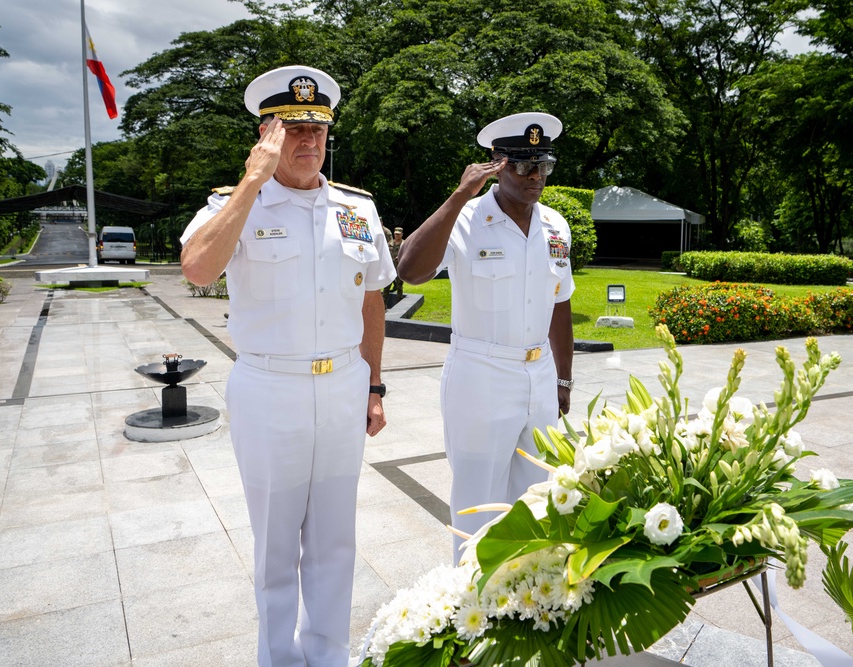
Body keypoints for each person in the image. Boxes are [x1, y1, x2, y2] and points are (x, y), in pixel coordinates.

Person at [179, 65, 395, 667]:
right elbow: (196, 268)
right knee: (276, 541)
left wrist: (375, 385)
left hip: (345, 385)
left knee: (334, 538)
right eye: (294, 129)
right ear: (267, 133)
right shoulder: (234, 204)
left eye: (318, 130)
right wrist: (252, 181)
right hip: (270, 388)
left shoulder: (357, 209)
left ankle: (327, 655)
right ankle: (278, 658)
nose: (308, 142)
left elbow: (371, 300)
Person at [396, 112, 575, 564]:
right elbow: (411, 270)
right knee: (478, 505)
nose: (536, 176)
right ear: (497, 163)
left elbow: (560, 303)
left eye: (543, 165)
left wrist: (564, 380)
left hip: (538, 375)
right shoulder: (466, 217)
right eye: (523, 165)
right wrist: (459, 196)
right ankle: (469, 606)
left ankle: (528, 607)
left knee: (540, 499)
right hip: (481, 374)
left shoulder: (555, 224)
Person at [383, 227, 405, 297]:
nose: (397, 235)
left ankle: (399, 299)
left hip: (399, 266)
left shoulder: (404, 244)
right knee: (387, 285)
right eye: (395, 234)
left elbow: (407, 254)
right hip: (390, 266)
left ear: (402, 234)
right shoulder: (390, 243)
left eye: (398, 234)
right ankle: (384, 303)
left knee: (399, 286)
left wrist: (400, 257)